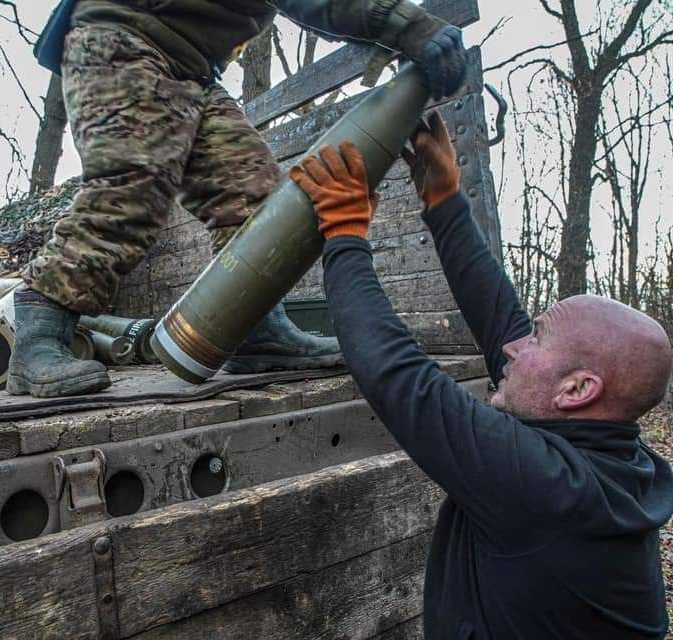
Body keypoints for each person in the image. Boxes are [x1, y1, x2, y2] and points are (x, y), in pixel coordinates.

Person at [288, 112, 673, 638]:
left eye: (536, 339)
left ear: (579, 390)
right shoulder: (608, 457)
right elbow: (502, 322)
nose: (511, 348)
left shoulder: (548, 488)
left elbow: (399, 378)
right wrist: (445, 203)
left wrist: (344, 230)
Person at [10, 0, 469, 398]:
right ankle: (39, 334)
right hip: (124, 38)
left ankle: (257, 333)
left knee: (255, 196)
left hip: (191, 65)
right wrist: (409, 25)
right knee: (132, 189)